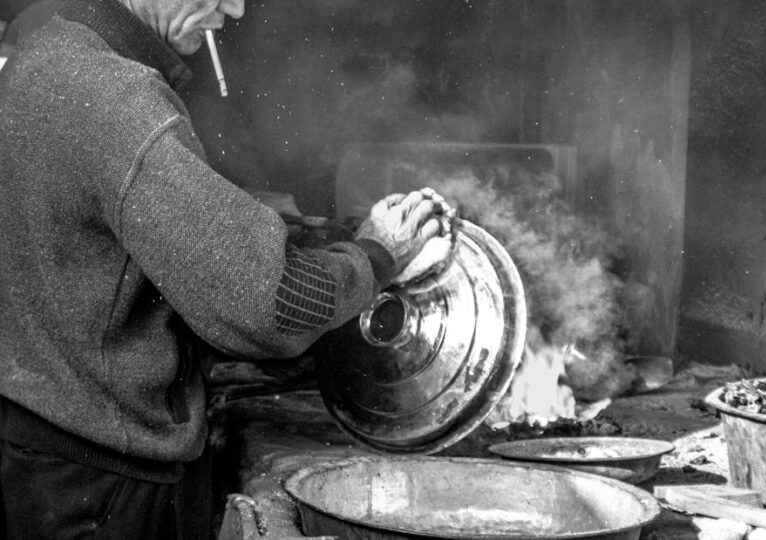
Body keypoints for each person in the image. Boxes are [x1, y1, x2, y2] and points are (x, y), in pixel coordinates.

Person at [0, 0, 450, 538]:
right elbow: (273, 302)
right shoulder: (115, 97)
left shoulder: (46, 55)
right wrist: (376, 255)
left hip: (43, 458)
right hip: (110, 488)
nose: (234, 8)